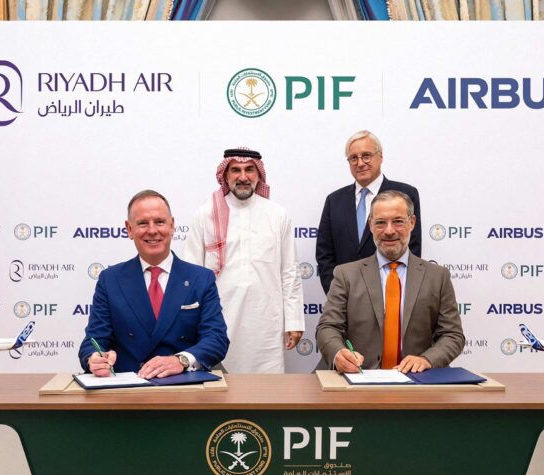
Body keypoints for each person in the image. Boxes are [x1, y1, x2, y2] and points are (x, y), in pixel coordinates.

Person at [79, 190, 229, 379]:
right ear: (129, 229)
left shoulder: (201, 278)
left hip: (186, 391)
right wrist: (95, 358)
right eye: (142, 223)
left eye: (159, 222)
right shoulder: (110, 280)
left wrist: (180, 360)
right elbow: (93, 341)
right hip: (127, 392)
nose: (152, 230)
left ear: (172, 225)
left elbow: (216, 339)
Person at [183, 147, 304, 373]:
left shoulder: (277, 215)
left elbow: (289, 272)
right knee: (219, 394)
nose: (243, 177)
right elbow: (190, 275)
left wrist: (294, 321)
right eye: (235, 170)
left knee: (267, 394)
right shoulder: (205, 214)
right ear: (225, 176)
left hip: (266, 324)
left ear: (259, 175)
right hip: (216, 322)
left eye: (249, 170)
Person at [316, 190, 463, 374]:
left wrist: (426, 359)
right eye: (380, 223)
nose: (389, 230)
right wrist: (338, 353)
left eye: (398, 221)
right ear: (370, 225)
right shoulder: (346, 275)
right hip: (357, 379)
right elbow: (327, 328)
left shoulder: (438, 277)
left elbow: (453, 335)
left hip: (415, 382)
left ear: (412, 223)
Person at [316, 130, 422, 294]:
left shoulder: (405, 194)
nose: (360, 163)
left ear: (380, 157)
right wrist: (338, 294)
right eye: (353, 158)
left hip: (391, 296)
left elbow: (412, 248)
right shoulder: (334, 200)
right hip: (345, 299)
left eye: (366, 155)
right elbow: (325, 255)